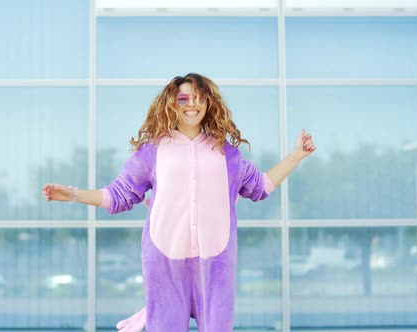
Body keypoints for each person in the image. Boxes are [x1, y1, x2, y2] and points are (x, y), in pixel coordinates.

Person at [42, 73, 316, 332]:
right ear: (171, 104)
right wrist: (74, 194)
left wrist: (295, 156)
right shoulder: (153, 151)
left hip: (216, 260)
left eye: (199, 97)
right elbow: (118, 195)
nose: (192, 104)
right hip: (164, 258)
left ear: (209, 103)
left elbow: (261, 186)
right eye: (184, 98)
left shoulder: (227, 154)